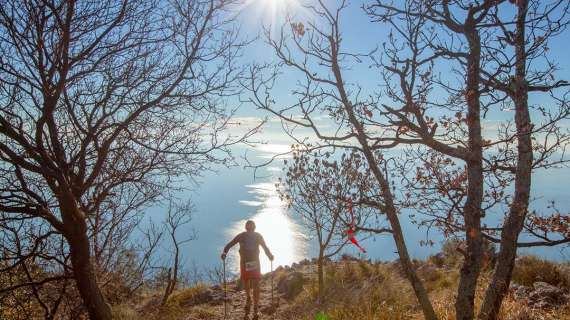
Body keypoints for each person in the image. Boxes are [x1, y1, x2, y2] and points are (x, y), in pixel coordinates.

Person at [222, 220, 274, 320]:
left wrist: (269, 255)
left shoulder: (247, 236)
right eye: (248, 226)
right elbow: (230, 244)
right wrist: (269, 256)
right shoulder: (248, 236)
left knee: (253, 283)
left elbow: (264, 247)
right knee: (250, 283)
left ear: (253, 227)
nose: (250, 228)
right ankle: (250, 299)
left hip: (250, 262)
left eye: (251, 226)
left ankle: (254, 303)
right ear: (247, 227)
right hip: (249, 263)